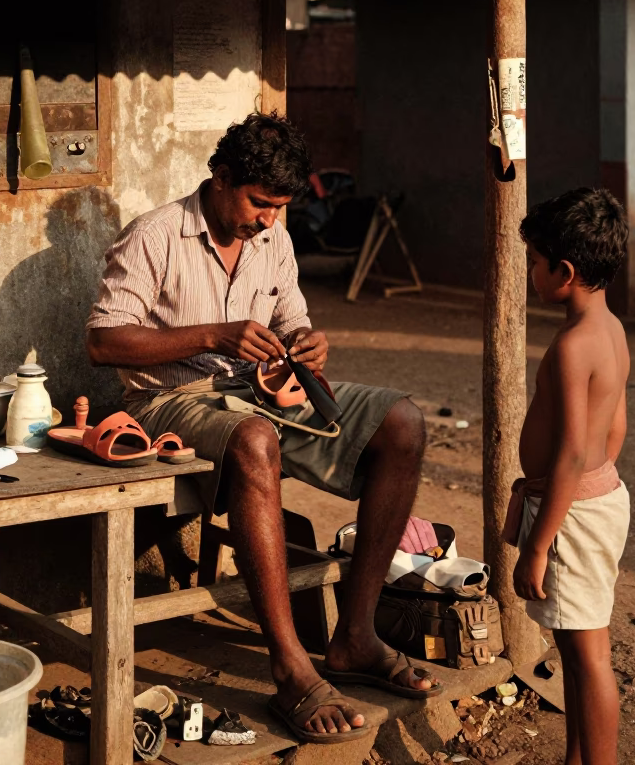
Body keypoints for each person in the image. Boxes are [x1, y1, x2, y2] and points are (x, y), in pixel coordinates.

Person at [86, 112, 439, 743]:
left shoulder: (274, 239)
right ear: (221, 179)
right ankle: (289, 666)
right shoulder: (155, 236)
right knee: (255, 440)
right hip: (170, 400)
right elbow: (104, 342)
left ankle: (356, 635)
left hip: (262, 393)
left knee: (402, 422)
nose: (269, 219)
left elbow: (292, 313)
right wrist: (213, 335)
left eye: (279, 207)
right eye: (259, 203)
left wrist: (307, 344)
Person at [506, 188, 630, 765]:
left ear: (566, 270)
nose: (532, 272)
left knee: (588, 657)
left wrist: (538, 544)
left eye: (535, 262)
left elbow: (570, 456)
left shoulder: (571, 348)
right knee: (579, 652)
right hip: (597, 499)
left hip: (571, 515)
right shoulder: (612, 330)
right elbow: (615, 431)